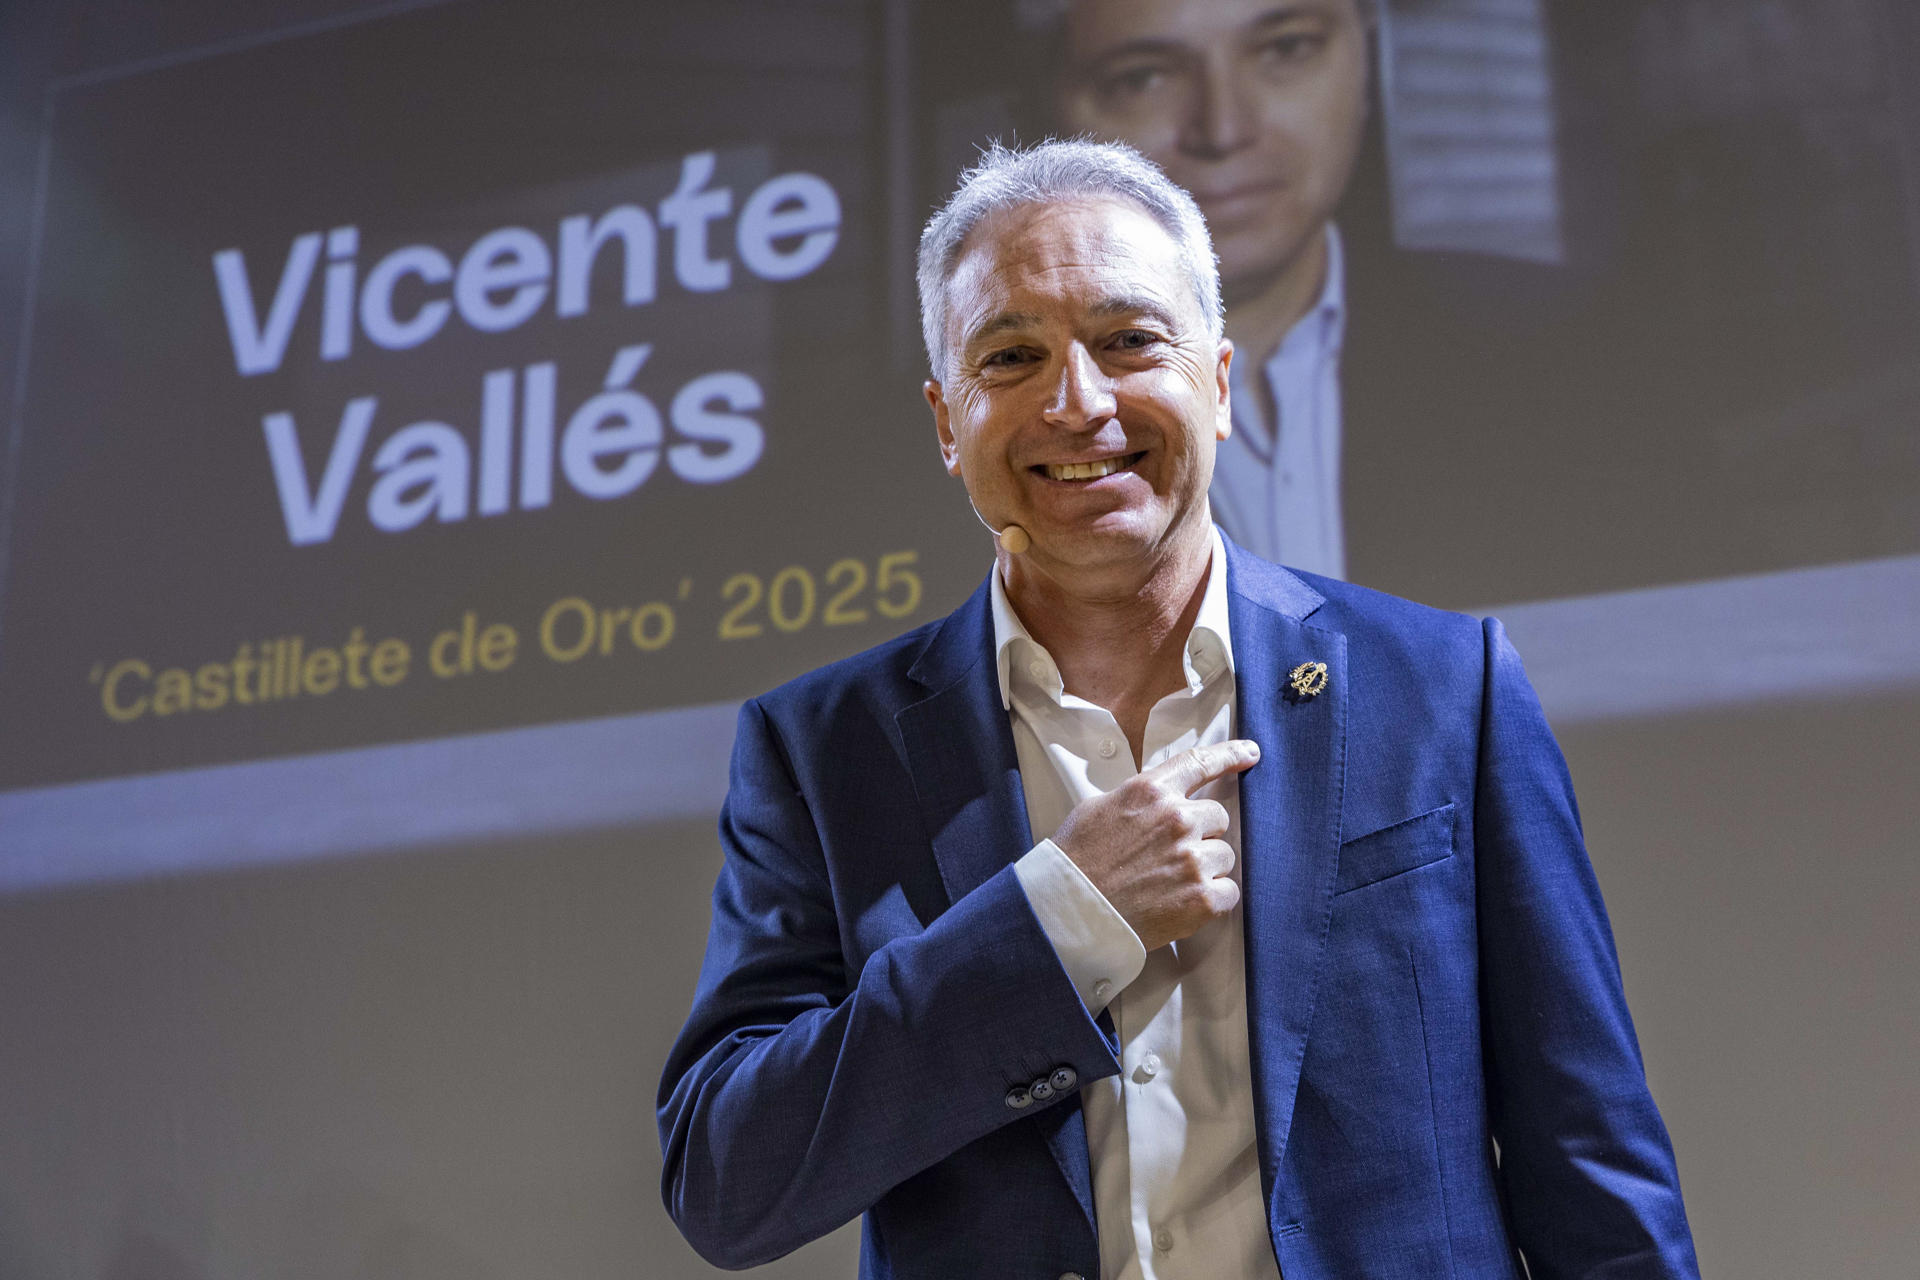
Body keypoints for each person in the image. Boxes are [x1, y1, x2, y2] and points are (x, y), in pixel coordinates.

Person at [658, 140, 1699, 1278]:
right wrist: (1058, 920)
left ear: (1215, 379)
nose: (1078, 402)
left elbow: (1593, 1169)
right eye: (1010, 356)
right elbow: (728, 1179)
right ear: (948, 424)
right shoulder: (822, 749)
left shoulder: (1446, 688)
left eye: (1127, 341)